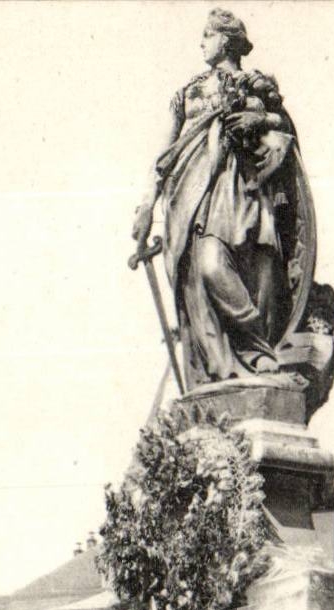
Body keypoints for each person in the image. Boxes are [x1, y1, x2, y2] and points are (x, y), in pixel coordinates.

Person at [131, 8, 315, 386]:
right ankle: (231, 364)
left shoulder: (254, 83)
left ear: (227, 41)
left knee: (244, 273)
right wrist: (147, 206)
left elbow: (284, 128)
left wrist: (261, 119)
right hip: (192, 199)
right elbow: (164, 157)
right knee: (204, 272)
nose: (201, 42)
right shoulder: (187, 93)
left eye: (208, 35)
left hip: (242, 190)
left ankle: (257, 353)